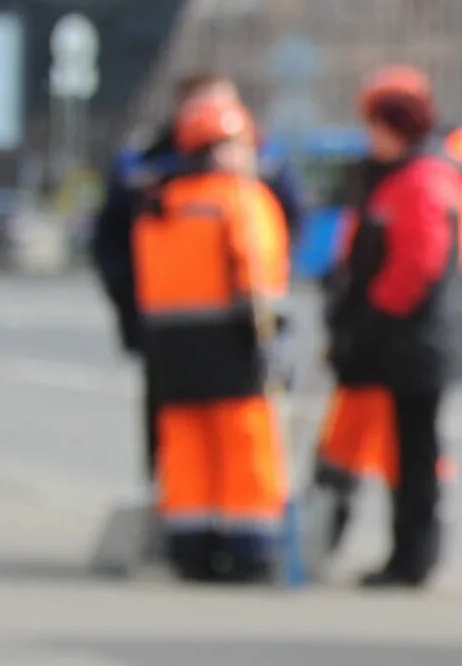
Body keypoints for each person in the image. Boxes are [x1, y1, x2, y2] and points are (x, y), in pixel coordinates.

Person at [95, 74, 306, 484]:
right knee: (179, 434)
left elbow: (285, 231)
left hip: (240, 331)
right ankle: (182, 523)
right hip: (168, 328)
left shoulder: (261, 168)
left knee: (241, 433)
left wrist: (267, 303)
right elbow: (112, 243)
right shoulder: (148, 168)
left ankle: (239, 533)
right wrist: (133, 305)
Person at [310, 78, 462, 565]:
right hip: (395, 342)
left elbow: (417, 266)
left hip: (410, 344)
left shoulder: (421, 181)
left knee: (413, 456)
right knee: (397, 452)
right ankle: (390, 551)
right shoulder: (394, 177)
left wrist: (371, 318)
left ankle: (411, 558)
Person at [130, 86, 292, 584]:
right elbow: (257, 272)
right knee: (245, 443)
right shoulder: (240, 199)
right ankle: (251, 548)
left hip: (170, 347)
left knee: (186, 445)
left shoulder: (161, 202)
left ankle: (190, 546)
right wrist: (270, 337)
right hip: (232, 342)